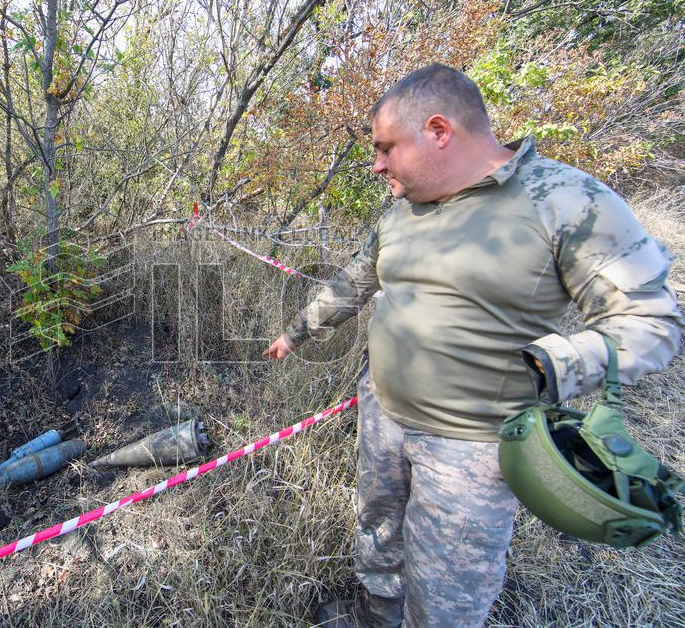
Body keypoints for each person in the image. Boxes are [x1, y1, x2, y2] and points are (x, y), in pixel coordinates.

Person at [262, 64, 683, 627]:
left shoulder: (567, 200)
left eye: (387, 147)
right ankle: (378, 611)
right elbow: (358, 277)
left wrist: (555, 363)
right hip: (382, 412)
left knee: (447, 594)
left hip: (473, 448)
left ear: (438, 130)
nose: (378, 163)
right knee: (379, 533)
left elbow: (652, 321)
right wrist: (297, 332)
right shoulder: (402, 210)